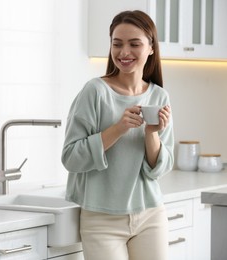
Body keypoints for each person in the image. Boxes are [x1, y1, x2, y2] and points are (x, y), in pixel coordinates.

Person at [61, 10, 174, 260]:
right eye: (117, 43)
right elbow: (70, 158)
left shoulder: (159, 97)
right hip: (102, 220)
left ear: (151, 48)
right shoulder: (94, 92)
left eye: (134, 44)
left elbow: (159, 169)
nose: (124, 52)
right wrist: (118, 128)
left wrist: (151, 134)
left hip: (151, 214)